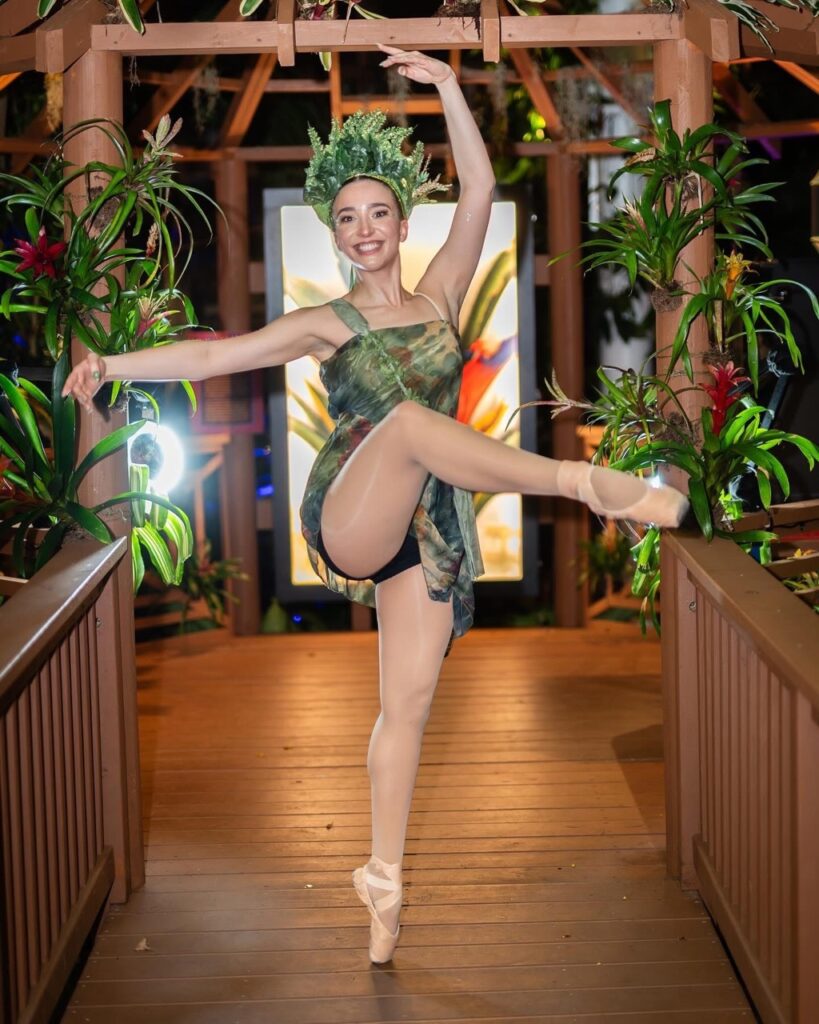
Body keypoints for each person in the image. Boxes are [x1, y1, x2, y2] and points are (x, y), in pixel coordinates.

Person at [63, 45, 689, 965]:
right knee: (401, 420)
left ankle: (382, 884)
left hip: (428, 532)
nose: (363, 229)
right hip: (353, 513)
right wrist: (112, 364)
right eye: (347, 218)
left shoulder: (439, 296)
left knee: (407, 706)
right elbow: (212, 356)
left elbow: (475, 193)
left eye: (378, 214)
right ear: (335, 230)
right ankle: (588, 485)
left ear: (402, 223)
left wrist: (445, 88)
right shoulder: (328, 322)